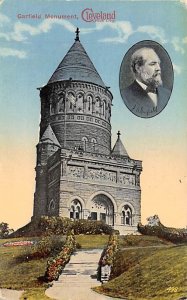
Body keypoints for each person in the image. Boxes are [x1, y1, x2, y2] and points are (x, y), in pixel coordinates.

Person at [122, 47, 170, 118]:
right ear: (138, 68)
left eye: (158, 64)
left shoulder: (167, 94)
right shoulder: (125, 95)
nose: (158, 68)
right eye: (153, 64)